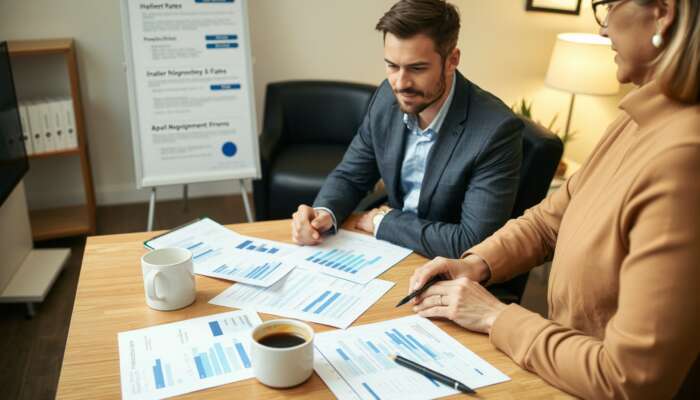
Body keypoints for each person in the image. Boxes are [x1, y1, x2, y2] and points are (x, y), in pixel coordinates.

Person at [409, 0, 700, 398]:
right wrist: (475, 264)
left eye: (607, 6)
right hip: (557, 373)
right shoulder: (635, 119)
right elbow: (549, 221)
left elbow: (631, 380)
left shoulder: (685, 159)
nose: (602, 30)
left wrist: (495, 316)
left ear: (663, 13)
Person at [290, 0, 523, 259]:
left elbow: (472, 242)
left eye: (417, 68)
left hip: (444, 265)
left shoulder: (495, 131)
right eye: (392, 66)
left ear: (451, 60)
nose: (401, 83)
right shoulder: (386, 97)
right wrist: (324, 212)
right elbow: (351, 175)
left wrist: (385, 223)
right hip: (386, 248)